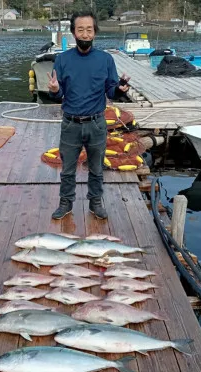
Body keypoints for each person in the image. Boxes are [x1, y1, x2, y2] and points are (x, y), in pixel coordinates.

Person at [48, 10, 130, 220]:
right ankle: (65, 203)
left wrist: (120, 89)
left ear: (95, 32)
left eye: (89, 30)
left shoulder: (105, 60)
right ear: (74, 33)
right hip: (70, 124)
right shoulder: (62, 59)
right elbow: (58, 96)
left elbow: (111, 91)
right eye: (80, 30)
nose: (85, 34)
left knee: (96, 168)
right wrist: (55, 89)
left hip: (96, 124)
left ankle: (95, 202)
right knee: (67, 170)